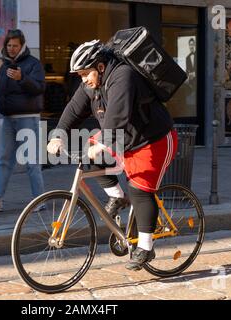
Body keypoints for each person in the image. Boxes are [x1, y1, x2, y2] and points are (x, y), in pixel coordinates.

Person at [47, 40, 178, 271]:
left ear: (99, 67)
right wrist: (57, 135)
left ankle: (146, 247)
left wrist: (103, 144)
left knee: (140, 190)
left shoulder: (123, 75)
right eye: (79, 76)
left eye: (85, 73)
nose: (84, 80)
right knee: (86, 157)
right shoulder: (91, 84)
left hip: (153, 139)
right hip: (123, 139)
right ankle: (117, 197)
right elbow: (74, 108)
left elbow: (118, 115)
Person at [0, 29, 46, 213]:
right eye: (9, 45)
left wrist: (23, 78)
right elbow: (0, 89)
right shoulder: (4, 65)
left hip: (27, 118)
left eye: (15, 45)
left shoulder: (33, 64)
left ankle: (39, 199)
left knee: (32, 162)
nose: (11, 48)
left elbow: (39, 87)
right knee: (3, 160)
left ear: (22, 45)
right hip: (9, 118)